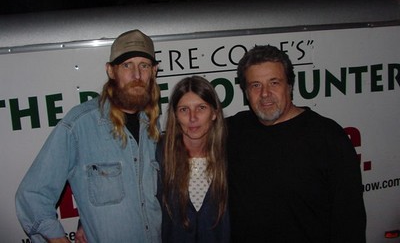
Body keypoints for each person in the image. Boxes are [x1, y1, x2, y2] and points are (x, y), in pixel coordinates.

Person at [15, 29, 162, 243]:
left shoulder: (155, 124)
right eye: (127, 65)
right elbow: (32, 195)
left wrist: (85, 221)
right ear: (111, 71)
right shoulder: (79, 125)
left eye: (144, 65)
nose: (137, 75)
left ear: (154, 71)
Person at [227, 45, 366, 242]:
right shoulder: (233, 130)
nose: (265, 93)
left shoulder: (327, 136)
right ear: (246, 92)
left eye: (274, 82)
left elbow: (350, 219)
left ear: (290, 86)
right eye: (255, 85)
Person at [158, 75, 230, 242]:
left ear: (214, 113)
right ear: (175, 116)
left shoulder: (231, 156)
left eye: (201, 108)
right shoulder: (159, 157)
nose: (192, 118)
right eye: (184, 109)